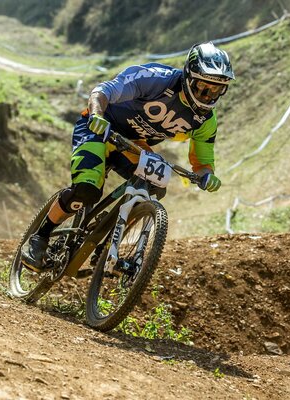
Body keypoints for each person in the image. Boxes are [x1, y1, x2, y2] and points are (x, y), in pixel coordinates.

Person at [21, 42, 234, 272]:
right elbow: (102, 91)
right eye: (204, 87)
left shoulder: (206, 121)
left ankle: (109, 242)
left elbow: (202, 162)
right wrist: (97, 115)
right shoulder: (155, 79)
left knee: (154, 186)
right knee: (87, 189)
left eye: (216, 89)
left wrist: (207, 176)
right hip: (100, 128)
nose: (209, 95)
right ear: (188, 78)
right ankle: (39, 238)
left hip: (133, 144)